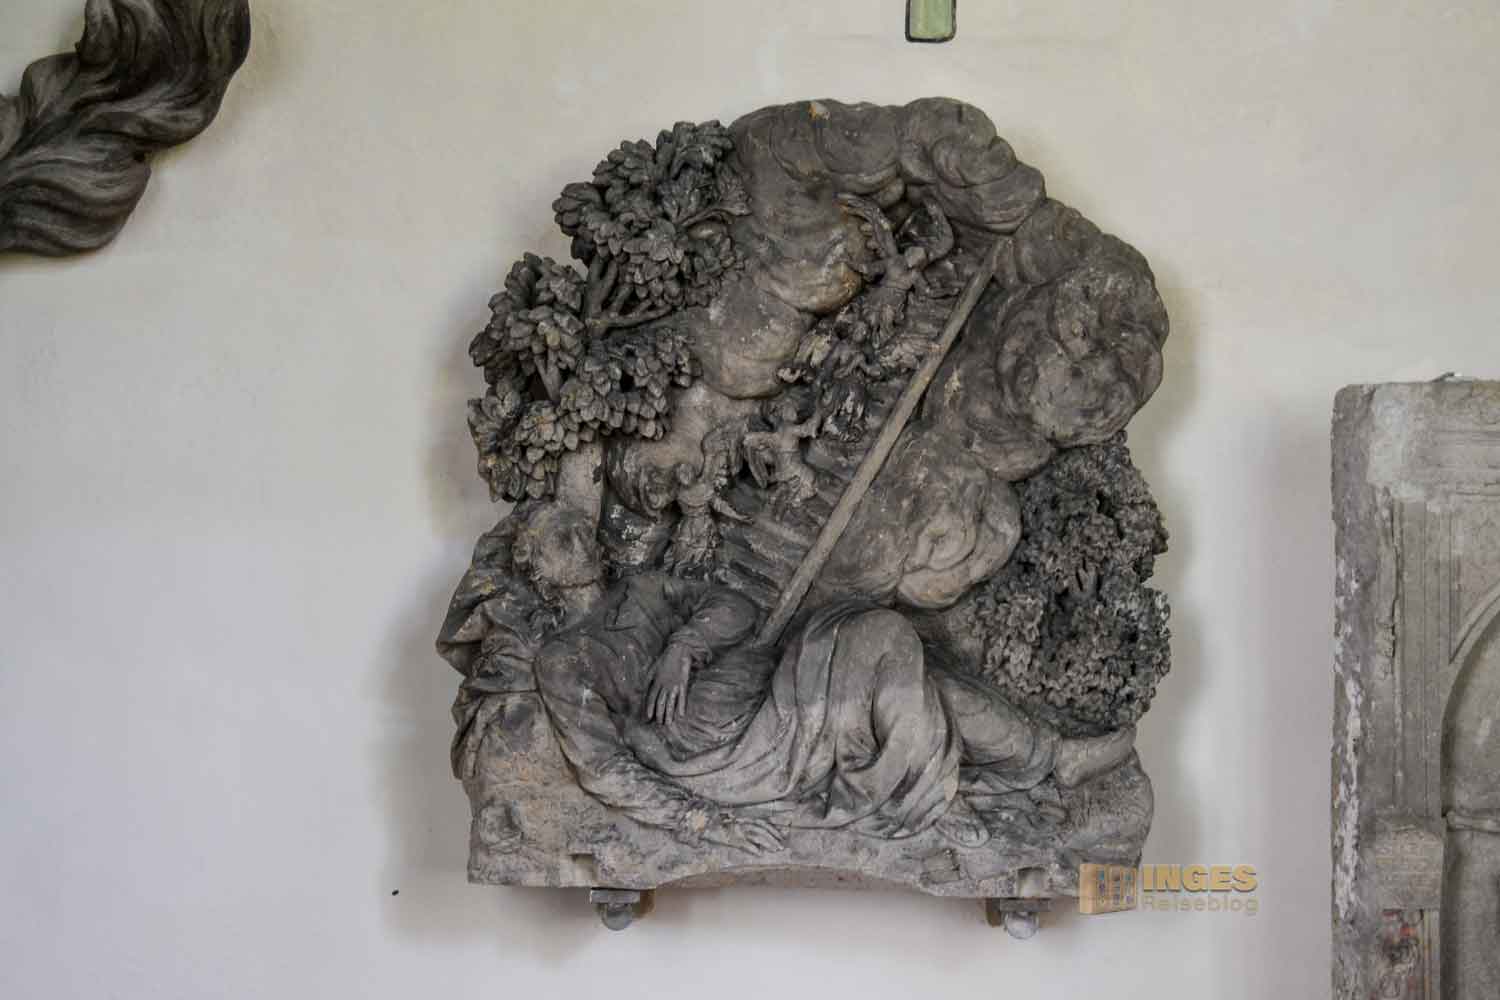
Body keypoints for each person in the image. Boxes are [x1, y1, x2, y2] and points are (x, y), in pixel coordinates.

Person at [524, 505, 1136, 854]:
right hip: (727, 749)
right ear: (538, 570)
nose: (578, 540)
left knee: (913, 673)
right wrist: (707, 823)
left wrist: (683, 648)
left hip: (767, 686)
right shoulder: (564, 660)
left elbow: (734, 607)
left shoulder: (642, 590)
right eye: (556, 540)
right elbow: (603, 768)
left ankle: (1045, 759)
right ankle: (928, 792)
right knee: (884, 645)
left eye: (577, 528)